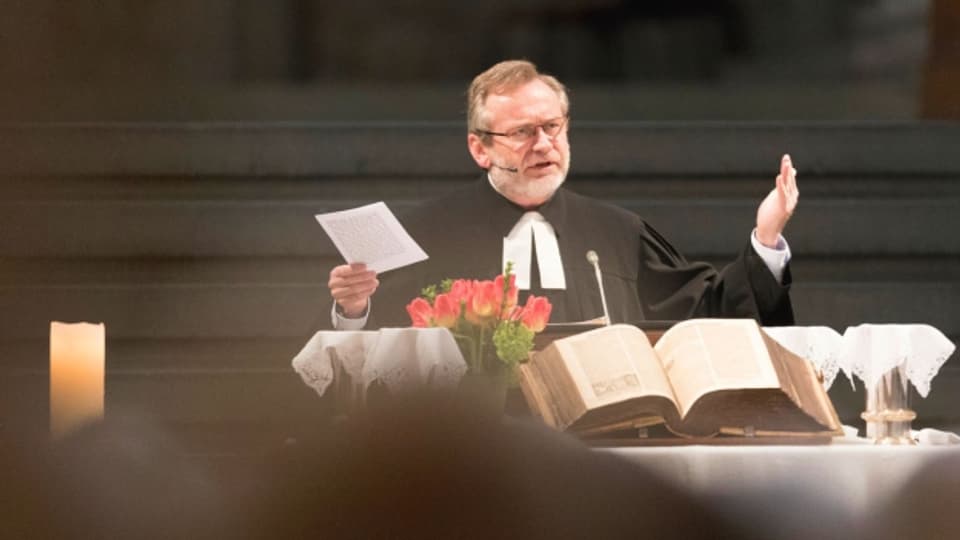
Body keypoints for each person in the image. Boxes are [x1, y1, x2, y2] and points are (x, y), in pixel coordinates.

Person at [326, 60, 798, 330]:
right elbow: (372, 356)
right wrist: (353, 308)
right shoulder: (426, 232)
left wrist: (765, 238)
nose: (543, 144)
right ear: (479, 148)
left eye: (552, 126)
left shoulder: (618, 232)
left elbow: (708, 315)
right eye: (522, 132)